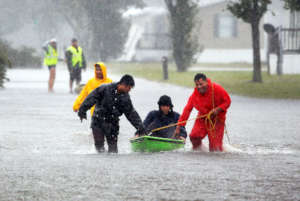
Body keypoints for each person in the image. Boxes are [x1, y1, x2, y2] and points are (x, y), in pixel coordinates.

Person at [78, 74, 146, 153]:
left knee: (113, 150)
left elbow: (131, 113)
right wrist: (82, 111)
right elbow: (91, 98)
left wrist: (140, 128)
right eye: (129, 88)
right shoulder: (104, 88)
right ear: (123, 84)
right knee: (99, 147)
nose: (129, 90)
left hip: (113, 124)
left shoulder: (126, 98)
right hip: (98, 121)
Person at [174, 73, 231, 152]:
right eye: (197, 85)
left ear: (206, 82)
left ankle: (220, 148)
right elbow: (187, 110)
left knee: (215, 149)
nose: (199, 87)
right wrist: (178, 127)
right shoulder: (194, 95)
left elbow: (227, 101)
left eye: (201, 84)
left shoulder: (217, 89)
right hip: (203, 118)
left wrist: (218, 109)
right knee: (194, 136)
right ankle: (200, 152)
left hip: (217, 120)